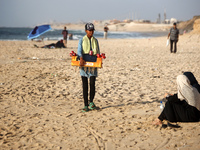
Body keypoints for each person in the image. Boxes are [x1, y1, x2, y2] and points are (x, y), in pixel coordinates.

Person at [77, 23, 100, 112]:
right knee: (85, 84)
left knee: (92, 83)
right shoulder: (81, 40)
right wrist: (81, 58)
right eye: (89, 30)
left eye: (92, 30)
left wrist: (99, 59)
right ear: (86, 31)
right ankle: (86, 105)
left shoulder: (95, 40)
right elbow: (79, 51)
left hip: (93, 62)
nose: (91, 32)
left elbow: (98, 51)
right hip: (84, 63)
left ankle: (91, 101)